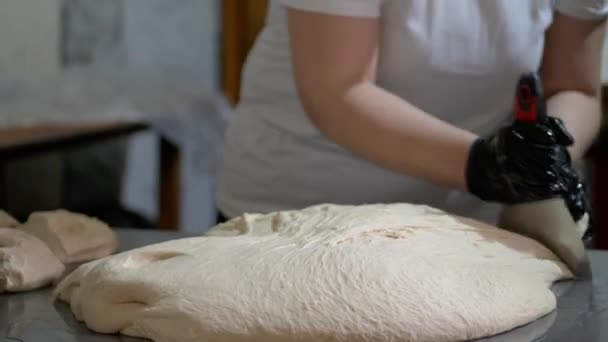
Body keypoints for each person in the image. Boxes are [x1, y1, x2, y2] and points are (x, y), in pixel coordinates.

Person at [216, 0, 606, 229]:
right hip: (301, 214)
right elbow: (337, 92)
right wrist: (486, 165)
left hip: (471, 227)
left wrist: (546, 155)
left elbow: (576, 89)